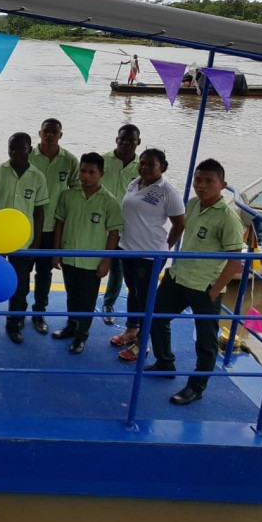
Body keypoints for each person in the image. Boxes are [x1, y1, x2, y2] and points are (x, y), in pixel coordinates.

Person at [146, 159, 244, 406]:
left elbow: (235, 263)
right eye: (198, 180)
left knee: (206, 342)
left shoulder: (228, 219)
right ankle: (165, 362)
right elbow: (180, 229)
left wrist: (214, 292)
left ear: (222, 184)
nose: (201, 186)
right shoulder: (191, 204)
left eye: (209, 181)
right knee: (155, 318)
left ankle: (196, 387)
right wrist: (167, 250)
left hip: (204, 287)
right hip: (179, 277)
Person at [110, 148, 186, 362]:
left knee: (145, 297)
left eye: (150, 164)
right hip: (127, 248)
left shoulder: (167, 191)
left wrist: (165, 247)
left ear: (162, 167)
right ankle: (131, 330)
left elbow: (179, 223)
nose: (144, 167)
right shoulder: (134, 183)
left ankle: (142, 342)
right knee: (133, 292)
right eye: (141, 163)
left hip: (149, 254)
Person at [0, 133, 48, 343]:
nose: (15, 153)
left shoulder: (38, 177)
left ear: (30, 150)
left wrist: (36, 242)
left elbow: (39, 211)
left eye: (20, 149)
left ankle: (14, 324)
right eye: (11, 149)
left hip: (23, 243)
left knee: (21, 286)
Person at [51, 153, 123, 354]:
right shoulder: (68, 196)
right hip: (69, 257)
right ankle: (71, 326)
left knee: (88, 300)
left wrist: (106, 261)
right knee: (72, 295)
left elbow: (113, 233)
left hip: (92, 262)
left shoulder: (109, 202)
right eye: (83, 171)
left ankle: (82, 336)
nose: (86, 176)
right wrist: (57, 252)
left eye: (92, 172)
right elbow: (60, 223)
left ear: (101, 173)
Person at [28, 118, 80, 334]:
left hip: (53, 228)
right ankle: (17, 314)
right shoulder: (28, 155)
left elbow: (76, 190)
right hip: (27, 227)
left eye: (54, 132)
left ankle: (39, 313)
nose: (49, 135)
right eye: (46, 131)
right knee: (21, 274)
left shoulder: (69, 160)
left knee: (44, 273)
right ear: (39, 133)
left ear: (61, 135)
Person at [99, 124, 141, 324]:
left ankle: (108, 303)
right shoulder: (103, 161)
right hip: (98, 224)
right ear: (116, 139)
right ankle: (84, 301)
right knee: (92, 263)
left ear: (138, 142)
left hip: (126, 227)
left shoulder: (143, 167)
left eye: (131, 140)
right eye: (122, 139)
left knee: (118, 268)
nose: (126, 144)